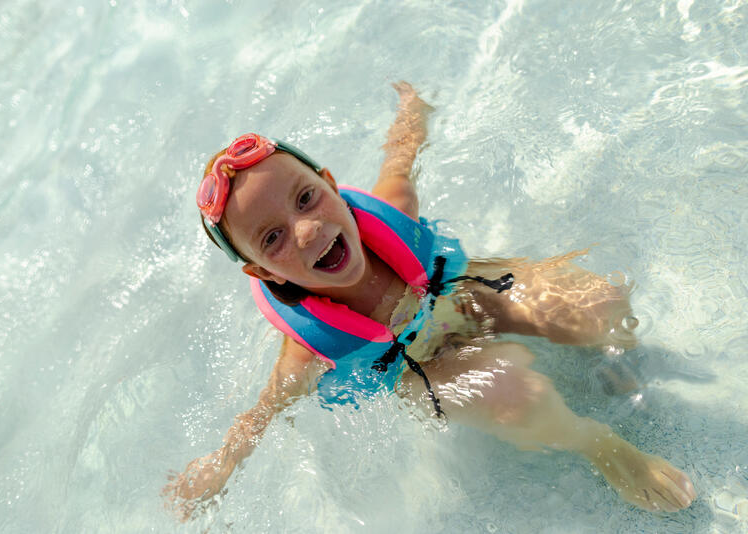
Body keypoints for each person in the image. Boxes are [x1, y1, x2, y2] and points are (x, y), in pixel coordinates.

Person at [164, 82, 696, 520]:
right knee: (511, 390)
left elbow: (402, 156)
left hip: (461, 295)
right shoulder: (303, 350)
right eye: (273, 238)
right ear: (262, 272)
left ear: (329, 183)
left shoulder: (392, 211)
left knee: (595, 302)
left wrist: (412, 111)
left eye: (306, 198)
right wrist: (219, 465)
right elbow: (264, 411)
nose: (305, 230)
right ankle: (599, 446)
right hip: (424, 367)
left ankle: (608, 360)